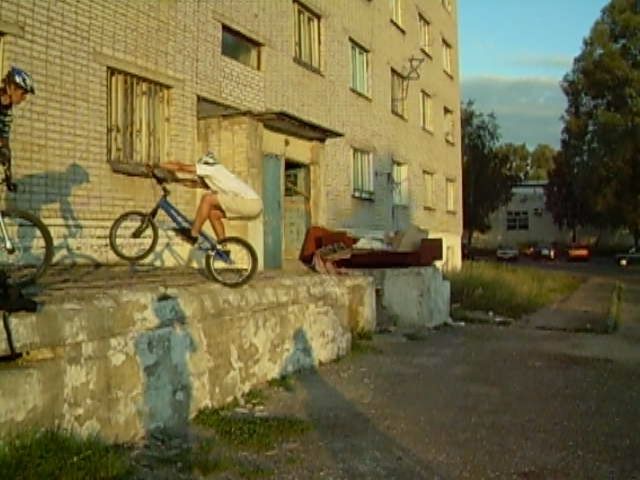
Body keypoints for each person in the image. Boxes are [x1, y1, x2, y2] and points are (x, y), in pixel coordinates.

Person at [161, 153, 262, 244]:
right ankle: (223, 247)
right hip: (253, 206)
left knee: (207, 199)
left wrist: (158, 165)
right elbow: (195, 184)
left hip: (250, 202)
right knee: (213, 214)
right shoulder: (216, 176)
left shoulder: (213, 169)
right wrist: (174, 180)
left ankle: (193, 234)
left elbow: (182, 167)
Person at [0, 67, 35, 184]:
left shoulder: (7, 113)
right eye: (23, 93)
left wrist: (8, 176)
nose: (24, 98)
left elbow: (5, 143)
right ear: (11, 88)